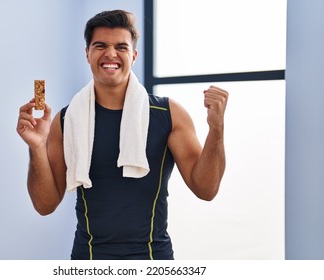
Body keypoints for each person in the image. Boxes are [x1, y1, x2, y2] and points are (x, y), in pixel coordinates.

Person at [17, 10, 228, 260]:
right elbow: (45, 205)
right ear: (87, 54)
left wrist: (216, 130)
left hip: (153, 260)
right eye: (100, 46)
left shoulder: (168, 114)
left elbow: (206, 189)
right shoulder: (66, 119)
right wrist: (37, 146)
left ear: (134, 55)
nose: (110, 54)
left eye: (121, 47)